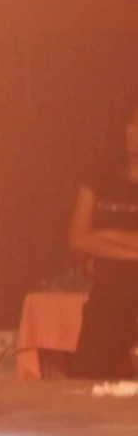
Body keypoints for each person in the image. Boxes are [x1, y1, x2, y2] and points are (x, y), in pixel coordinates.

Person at [69, 100, 138, 383]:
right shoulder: (98, 177)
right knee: (86, 379)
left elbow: (91, 238)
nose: (133, 132)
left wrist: (105, 236)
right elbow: (77, 238)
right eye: (132, 123)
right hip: (106, 300)